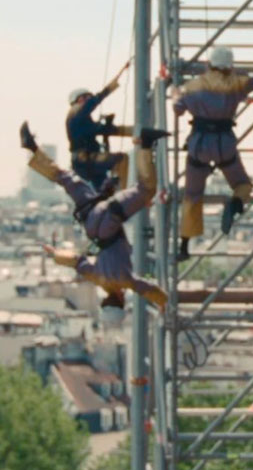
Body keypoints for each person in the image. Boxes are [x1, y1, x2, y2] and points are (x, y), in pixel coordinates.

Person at [21, 122, 169, 321]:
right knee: (66, 179)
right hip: (90, 219)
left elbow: (149, 289)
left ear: (120, 299)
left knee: (146, 190)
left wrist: (163, 302)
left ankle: (146, 143)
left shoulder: (125, 281)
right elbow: (75, 261)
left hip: (110, 217)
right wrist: (55, 254)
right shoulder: (95, 276)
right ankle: (33, 149)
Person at [172, 47, 253, 261]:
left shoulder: (192, 87)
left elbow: (178, 109)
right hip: (224, 145)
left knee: (192, 195)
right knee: (242, 184)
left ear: (208, 64)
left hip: (200, 145)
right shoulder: (236, 83)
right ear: (230, 66)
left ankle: (184, 246)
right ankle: (236, 202)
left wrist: (176, 92)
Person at [66, 63, 134, 189]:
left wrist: (129, 130)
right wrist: (112, 84)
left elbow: (99, 130)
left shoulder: (81, 119)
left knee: (103, 192)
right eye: (85, 97)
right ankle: (124, 194)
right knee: (121, 159)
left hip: (86, 162)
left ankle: (110, 199)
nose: (88, 99)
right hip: (86, 160)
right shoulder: (75, 112)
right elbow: (95, 101)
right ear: (77, 100)